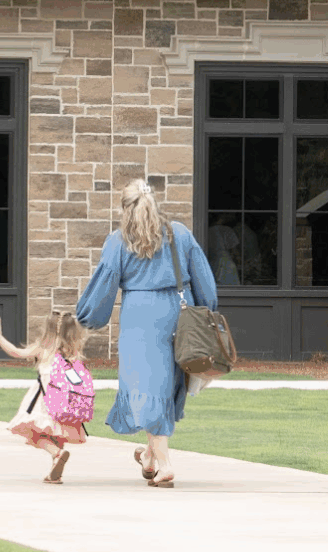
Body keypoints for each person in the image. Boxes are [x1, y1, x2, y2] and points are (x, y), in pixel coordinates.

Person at [76, 179, 220, 489]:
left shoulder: (118, 241)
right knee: (163, 386)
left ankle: (165, 464)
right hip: (178, 315)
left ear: (124, 209)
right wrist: (207, 309)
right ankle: (150, 458)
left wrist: (87, 316)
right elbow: (203, 278)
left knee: (146, 387)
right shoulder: (178, 233)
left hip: (140, 319)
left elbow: (104, 284)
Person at [0, 308, 92, 484]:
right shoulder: (73, 351)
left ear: (47, 329)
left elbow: (16, 352)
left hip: (45, 400)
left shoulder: (43, 349)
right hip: (67, 401)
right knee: (58, 433)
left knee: (35, 434)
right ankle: (54, 471)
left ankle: (56, 454)